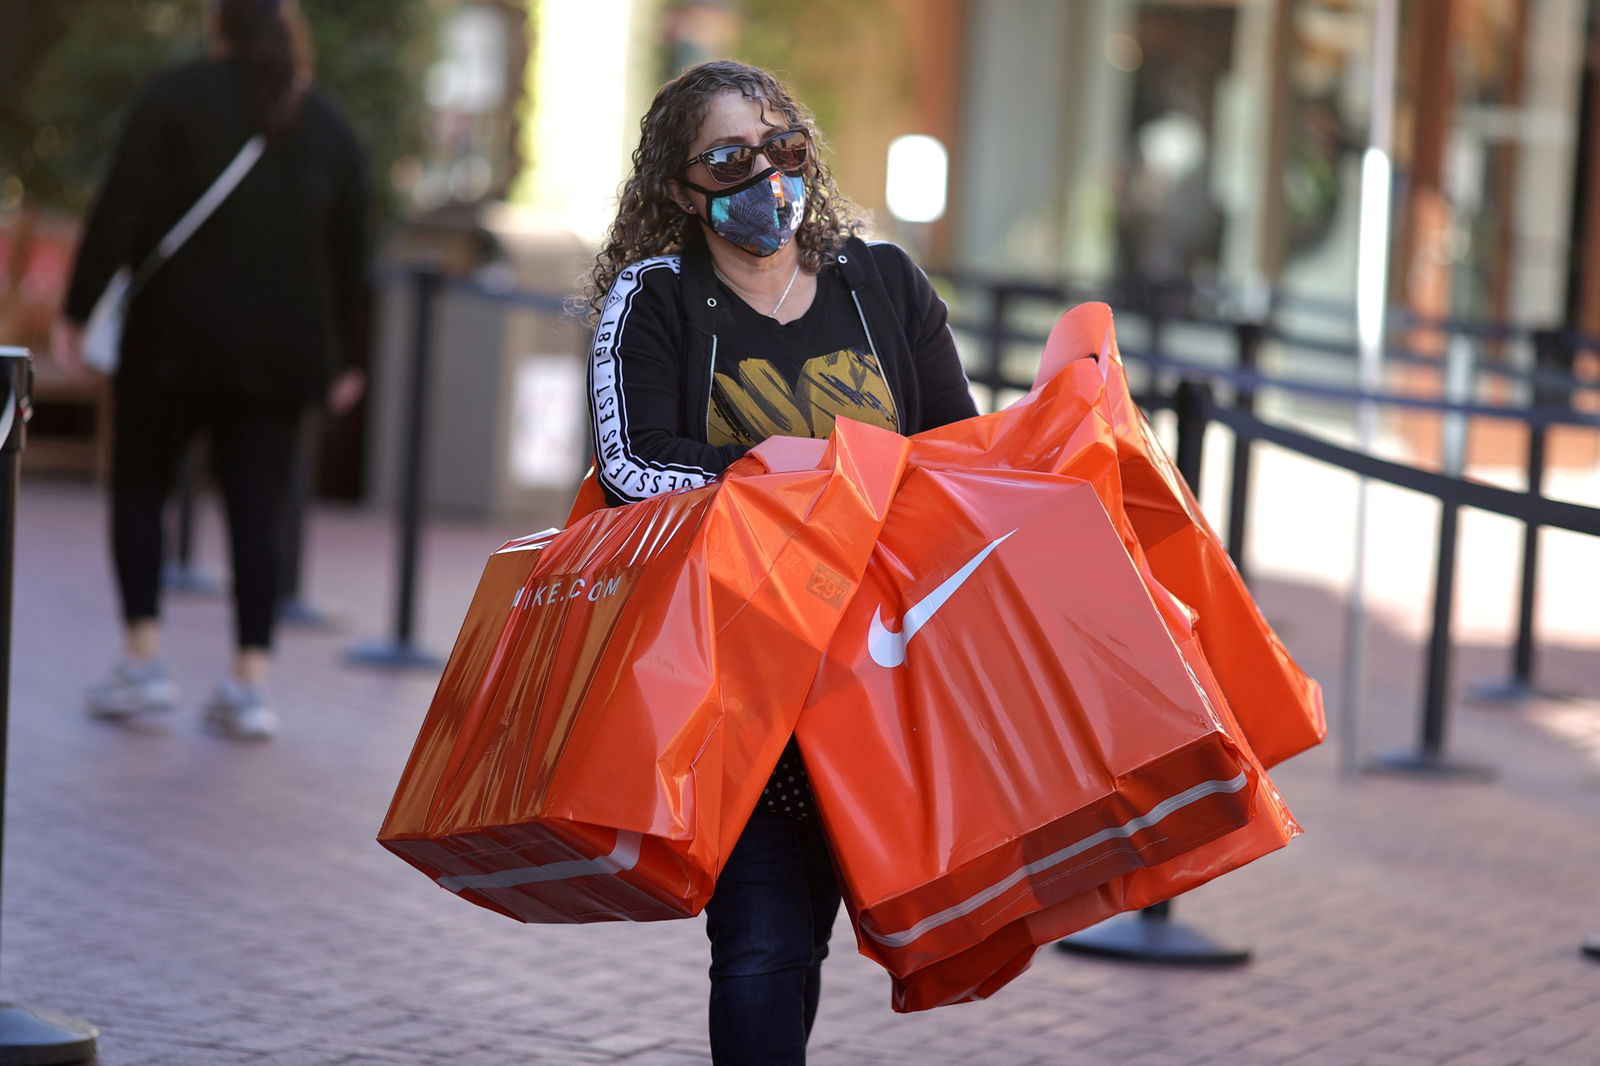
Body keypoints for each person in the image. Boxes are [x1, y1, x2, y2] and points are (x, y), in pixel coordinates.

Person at [585, 60, 977, 1065]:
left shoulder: (882, 283)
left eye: (783, 146)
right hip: (739, 678)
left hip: (876, 676)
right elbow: (632, 467)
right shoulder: (658, 297)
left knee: (806, 938)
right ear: (681, 190)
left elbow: (954, 458)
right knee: (760, 939)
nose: (766, 175)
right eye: (729, 158)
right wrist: (803, 483)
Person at [53, 0, 368, 740]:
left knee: (139, 489)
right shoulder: (326, 125)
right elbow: (351, 249)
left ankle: (141, 661)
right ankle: (250, 682)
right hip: (279, 356)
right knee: (258, 515)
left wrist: (79, 308)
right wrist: (345, 357)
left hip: (170, 339)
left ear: (217, 25)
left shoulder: (173, 96)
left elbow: (119, 206)